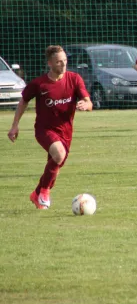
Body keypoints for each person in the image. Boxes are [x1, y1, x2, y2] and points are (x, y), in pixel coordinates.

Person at [7, 45, 93, 210]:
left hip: (66, 132)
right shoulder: (39, 84)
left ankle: (37, 193)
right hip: (44, 130)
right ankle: (45, 192)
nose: (63, 65)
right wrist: (14, 126)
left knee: (56, 165)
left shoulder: (74, 79)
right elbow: (23, 101)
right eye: (59, 62)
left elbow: (89, 102)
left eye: (65, 61)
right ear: (50, 63)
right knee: (59, 155)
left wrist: (85, 104)